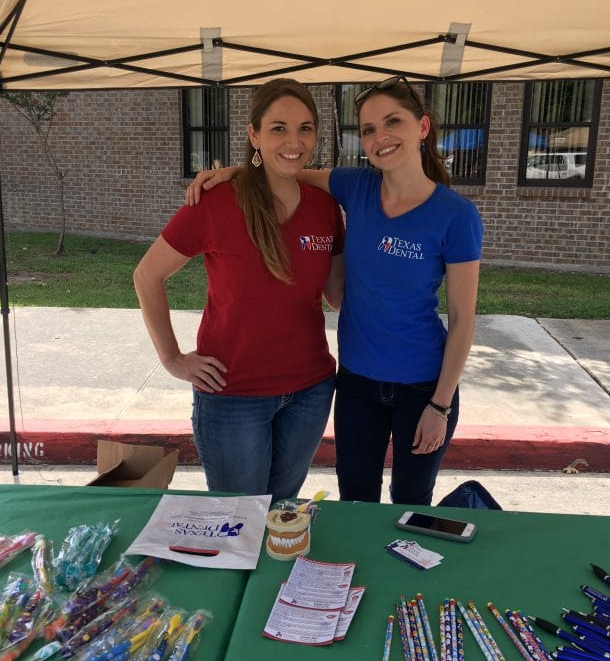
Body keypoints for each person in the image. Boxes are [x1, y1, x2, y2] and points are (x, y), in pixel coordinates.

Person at [188, 76, 483, 505]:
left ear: (422, 127)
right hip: (357, 383)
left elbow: (463, 318)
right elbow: (287, 165)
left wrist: (440, 405)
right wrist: (235, 172)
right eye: (367, 130)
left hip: (424, 386)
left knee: (411, 499)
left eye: (392, 122)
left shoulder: (456, 215)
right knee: (356, 500)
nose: (380, 137)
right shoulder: (355, 186)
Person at [134, 78, 344, 503]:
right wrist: (172, 358)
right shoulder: (216, 201)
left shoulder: (325, 207)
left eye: (305, 128)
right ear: (254, 134)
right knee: (237, 519)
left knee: (280, 510)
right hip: (233, 394)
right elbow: (146, 276)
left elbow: (337, 296)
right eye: (278, 128)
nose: (294, 140)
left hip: (310, 390)